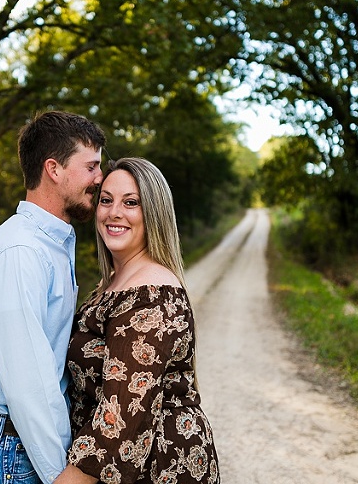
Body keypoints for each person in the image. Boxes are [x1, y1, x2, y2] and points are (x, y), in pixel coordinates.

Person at [0, 110, 107, 484]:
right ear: (53, 169)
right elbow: (29, 385)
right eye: (91, 167)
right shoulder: (19, 253)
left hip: (20, 447)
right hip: (10, 454)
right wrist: (62, 475)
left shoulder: (50, 244)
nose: (99, 179)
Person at [56, 157, 221, 484]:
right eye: (106, 200)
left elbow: (121, 417)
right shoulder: (114, 284)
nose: (114, 212)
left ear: (154, 213)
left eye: (131, 203)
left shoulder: (151, 294)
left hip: (160, 467)